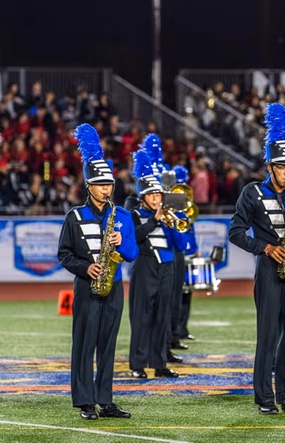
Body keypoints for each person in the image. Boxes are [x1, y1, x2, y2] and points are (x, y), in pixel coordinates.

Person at [228, 103, 285, 415]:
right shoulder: (252, 193)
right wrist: (265, 248)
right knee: (267, 335)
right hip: (269, 267)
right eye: (282, 168)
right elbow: (235, 232)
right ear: (270, 167)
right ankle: (264, 398)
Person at [57, 124, 138, 420]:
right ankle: (85, 402)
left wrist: (121, 242)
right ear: (89, 186)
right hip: (86, 287)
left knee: (108, 345)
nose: (106, 189)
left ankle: (105, 400)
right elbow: (64, 254)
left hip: (113, 287)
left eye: (109, 185)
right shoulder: (75, 217)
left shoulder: (122, 216)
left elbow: (132, 253)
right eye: (101, 185)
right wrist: (85, 267)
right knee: (84, 344)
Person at [128, 149, 186, 380]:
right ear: (143, 197)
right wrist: (154, 221)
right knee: (142, 316)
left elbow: (180, 245)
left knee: (162, 316)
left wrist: (177, 224)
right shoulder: (134, 214)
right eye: (151, 195)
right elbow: (135, 236)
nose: (156, 199)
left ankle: (159, 363)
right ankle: (137, 364)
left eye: (158, 195)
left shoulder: (168, 216)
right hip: (145, 266)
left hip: (167, 267)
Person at [172, 165, 199, 342]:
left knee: (187, 292)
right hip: (177, 253)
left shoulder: (187, 209)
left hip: (188, 253)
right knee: (176, 294)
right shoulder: (171, 209)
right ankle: (175, 330)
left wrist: (195, 250)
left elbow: (191, 231)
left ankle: (183, 328)